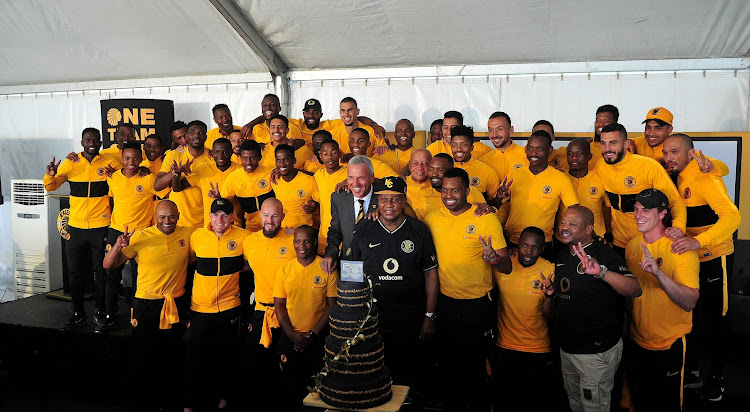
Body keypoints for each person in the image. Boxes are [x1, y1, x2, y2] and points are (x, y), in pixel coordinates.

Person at [423, 168, 511, 411]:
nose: (449, 195)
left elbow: (507, 266)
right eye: (445, 190)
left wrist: (493, 257)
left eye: (455, 190)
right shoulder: (433, 219)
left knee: (476, 366)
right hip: (446, 303)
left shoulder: (485, 218)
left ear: (467, 192)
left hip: (478, 304)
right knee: (449, 364)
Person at [663, 134, 741, 401]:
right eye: (666, 152)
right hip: (691, 257)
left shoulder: (705, 175)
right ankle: (694, 373)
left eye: (675, 151)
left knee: (716, 319)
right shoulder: (678, 175)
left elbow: (733, 217)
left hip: (714, 256)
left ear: (691, 153)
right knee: (692, 319)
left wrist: (698, 241)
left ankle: (717, 379)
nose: (669, 157)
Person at [346, 176, 438, 394]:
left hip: (410, 317)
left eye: (395, 199)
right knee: (374, 371)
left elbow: (430, 274)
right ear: (376, 202)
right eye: (384, 199)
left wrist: (429, 316)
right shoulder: (364, 227)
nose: (389, 205)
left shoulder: (418, 230)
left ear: (404, 201)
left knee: (408, 372)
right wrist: (352, 312)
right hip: (372, 317)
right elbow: (352, 272)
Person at [545, 205, 642, 412]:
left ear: (589, 229)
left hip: (595, 353)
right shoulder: (561, 256)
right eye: (563, 222)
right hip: (567, 350)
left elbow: (634, 289)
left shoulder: (604, 253)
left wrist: (601, 273)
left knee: (594, 407)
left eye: (572, 224)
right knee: (576, 404)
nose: (564, 227)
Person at [102, 200, 192, 407]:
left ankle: (170, 402)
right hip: (146, 305)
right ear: (155, 217)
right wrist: (118, 245)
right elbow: (108, 264)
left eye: (171, 216)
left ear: (178, 215)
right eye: (162, 217)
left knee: (172, 356)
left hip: (174, 304)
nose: (167, 221)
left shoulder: (188, 234)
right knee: (143, 356)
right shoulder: (141, 236)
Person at [624, 188, 700, 412]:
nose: (638, 215)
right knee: (641, 404)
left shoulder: (681, 250)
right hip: (637, 342)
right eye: (636, 210)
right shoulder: (631, 246)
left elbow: (690, 302)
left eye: (646, 210)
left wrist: (658, 273)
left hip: (669, 345)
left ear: (662, 214)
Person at [44, 128, 121, 330]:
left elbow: (124, 179)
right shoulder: (71, 162)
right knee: (75, 272)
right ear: (82, 142)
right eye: (88, 140)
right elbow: (51, 187)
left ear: (101, 142)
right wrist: (50, 175)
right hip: (76, 226)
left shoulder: (109, 162)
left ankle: (100, 310)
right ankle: (78, 314)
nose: (92, 143)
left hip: (101, 226)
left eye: (95, 140)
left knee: (100, 271)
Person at [186, 198, 251, 409]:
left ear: (233, 217)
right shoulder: (197, 236)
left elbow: (258, 258)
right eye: (216, 215)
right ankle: (190, 404)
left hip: (229, 308)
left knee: (227, 359)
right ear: (210, 217)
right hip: (200, 308)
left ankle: (223, 403)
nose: (220, 219)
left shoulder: (244, 237)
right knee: (194, 359)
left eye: (225, 215)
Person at [98, 141, 167, 333]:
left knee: (140, 278)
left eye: (135, 158)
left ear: (141, 159)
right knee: (112, 275)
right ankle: (110, 315)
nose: (131, 162)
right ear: (121, 159)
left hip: (141, 234)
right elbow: (112, 198)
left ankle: (136, 315)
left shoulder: (149, 178)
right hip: (116, 231)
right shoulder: (113, 178)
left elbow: (164, 194)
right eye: (127, 158)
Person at [594, 123, 686, 256]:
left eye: (613, 143)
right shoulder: (600, 166)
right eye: (603, 143)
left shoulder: (648, 166)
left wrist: (678, 226)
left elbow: (675, 200)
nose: (607, 149)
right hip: (619, 243)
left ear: (626, 144)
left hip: (649, 242)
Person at [274, 225, 338, 409]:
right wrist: (292, 335)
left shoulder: (326, 268)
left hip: (318, 339)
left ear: (315, 242)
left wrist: (313, 334)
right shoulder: (285, 269)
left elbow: (332, 306)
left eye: (307, 241)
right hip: (290, 337)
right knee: (290, 387)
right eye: (297, 241)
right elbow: (279, 305)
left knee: (318, 390)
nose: (302, 245)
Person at [492, 226, 555, 408]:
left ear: (542, 249)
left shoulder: (550, 270)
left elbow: (549, 318)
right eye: (525, 245)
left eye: (535, 247)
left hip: (537, 349)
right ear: (517, 245)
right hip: (504, 346)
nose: (528, 252)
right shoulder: (504, 265)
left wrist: (549, 296)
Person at [497, 130, 578, 258]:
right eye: (530, 148)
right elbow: (496, 204)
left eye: (539, 149)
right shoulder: (515, 174)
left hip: (542, 245)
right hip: (513, 242)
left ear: (550, 150)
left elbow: (574, 210)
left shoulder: (560, 178)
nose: (533, 153)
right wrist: (498, 197)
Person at [321, 155, 378, 273]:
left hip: (377, 265)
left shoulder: (384, 198)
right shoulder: (339, 198)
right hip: (349, 264)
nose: (355, 184)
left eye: (361, 178)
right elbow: (335, 231)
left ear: (372, 177)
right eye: (351, 177)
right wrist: (330, 254)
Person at [170, 137, 241, 227]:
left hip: (234, 226)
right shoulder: (202, 169)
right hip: (209, 227)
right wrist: (176, 175)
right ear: (211, 153)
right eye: (217, 152)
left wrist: (223, 199)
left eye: (225, 152)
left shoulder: (240, 170)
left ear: (231, 152)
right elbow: (177, 188)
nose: (220, 156)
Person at [155, 120, 212, 228]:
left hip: (203, 223)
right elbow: (157, 186)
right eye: (192, 133)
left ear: (205, 136)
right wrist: (175, 173)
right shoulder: (174, 155)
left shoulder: (212, 157)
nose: (195, 136)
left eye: (200, 133)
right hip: (177, 223)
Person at [407, 152, 491, 220]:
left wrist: (490, 210)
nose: (434, 174)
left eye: (440, 170)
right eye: (431, 169)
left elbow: (488, 213)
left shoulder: (470, 191)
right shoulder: (418, 193)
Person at [557, 138, 608, 244]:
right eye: (570, 154)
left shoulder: (600, 179)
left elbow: (607, 211)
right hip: (564, 240)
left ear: (589, 157)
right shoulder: (559, 178)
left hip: (594, 239)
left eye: (580, 154)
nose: (574, 158)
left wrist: (608, 236)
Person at [219, 140, 275, 232]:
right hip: (250, 227)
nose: (248, 162)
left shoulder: (270, 173)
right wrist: (218, 198)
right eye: (245, 158)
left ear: (259, 158)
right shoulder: (234, 177)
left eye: (252, 158)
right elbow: (225, 201)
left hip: (272, 225)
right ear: (240, 158)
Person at [270, 144, 319, 228]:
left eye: (286, 160)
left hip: (304, 231)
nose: (282, 164)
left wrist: (314, 204)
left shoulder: (309, 180)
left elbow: (320, 201)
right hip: (282, 230)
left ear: (294, 161)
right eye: (278, 160)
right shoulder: (274, 179)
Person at [313, 139, 349, 254]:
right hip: (324, 233)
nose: (330, 157)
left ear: (339, 154)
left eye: (333, 152)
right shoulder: (318, 174)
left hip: (345, 233)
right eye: (325, 154)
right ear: (320, 156)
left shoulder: (349, 173)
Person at [449, 125, 501, 202]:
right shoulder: (445, 168)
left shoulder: (488, 172)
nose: (459, 149)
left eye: (464, 145)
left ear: (472, 147)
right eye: (454, 145)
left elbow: (494, 204)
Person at [479, 111, 527, 181]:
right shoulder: (483, 162)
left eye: (500, 129)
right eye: (491, 130)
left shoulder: (526, 156)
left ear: (511, 130)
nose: (495, 134)